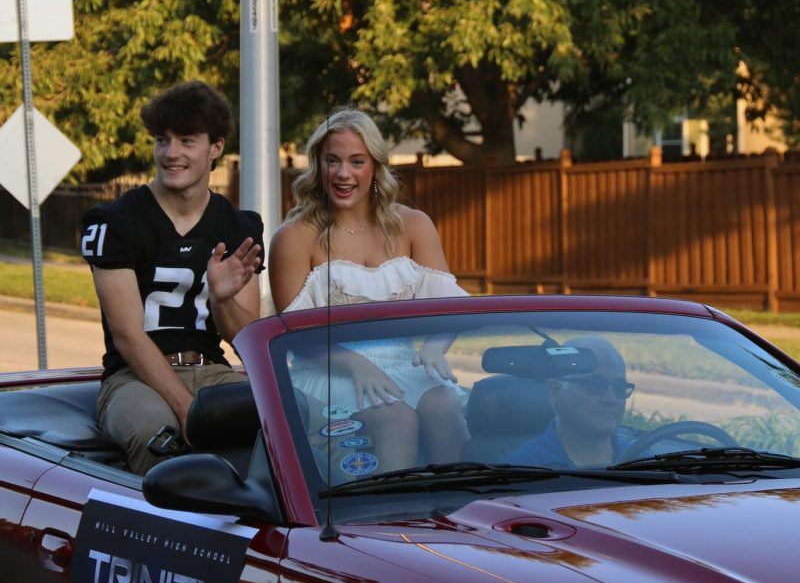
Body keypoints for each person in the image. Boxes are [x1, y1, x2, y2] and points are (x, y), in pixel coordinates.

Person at [212, 107, 468, 471]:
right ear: (317, 165)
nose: (343, 173)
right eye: (332, 160)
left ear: (376, 166)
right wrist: (355, 363)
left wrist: (435, 346)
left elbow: (449, 309)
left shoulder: (414, 225)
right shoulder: (295, 237)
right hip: (329, 371)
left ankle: (448, 513)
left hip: (406, 366)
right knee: (397, 419)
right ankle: (386, 524)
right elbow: (297, 336)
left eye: (357, 161)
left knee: (446, 406)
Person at [80, 80, 264, 474]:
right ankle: (157, 537)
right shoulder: (114, 221)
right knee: (158, 435)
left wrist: (222, 299)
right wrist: (188, 410)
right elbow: (129, 336)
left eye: (186, 140)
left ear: (216, 147)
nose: (171, 153)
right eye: (162, 140)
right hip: (133, 379)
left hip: (213, 371)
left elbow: (248, 339)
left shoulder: (238, 226)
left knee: (287, 426)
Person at [503, 336, 637, 467]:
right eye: (594, 385)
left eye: (620, 387)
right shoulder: (520, 471)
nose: (611, 399)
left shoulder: (643, 461)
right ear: (556, 391)